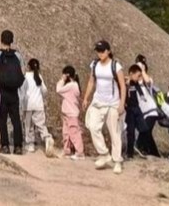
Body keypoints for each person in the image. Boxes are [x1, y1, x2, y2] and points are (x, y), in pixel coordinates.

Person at [83, 40, 126, 174]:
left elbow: (122, 86)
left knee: (114, 132)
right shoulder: (95, 64)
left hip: (113, 103)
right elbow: (91, 81)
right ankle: (104, 154)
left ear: (108, 51)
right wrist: (86, 98)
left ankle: (117, 161)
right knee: (92, 126)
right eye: (98, 51)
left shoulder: (115, 66)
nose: (100, 53)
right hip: (98, 101)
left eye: (102, 51)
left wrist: (121, 104)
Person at [0, 30, 25, 155]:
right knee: (16, 119)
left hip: (1, 91)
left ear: (1, 40)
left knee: (2, 119)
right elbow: (22, 72)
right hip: (14, 92)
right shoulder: (18, 55)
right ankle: (18, 147)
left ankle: (5, 146)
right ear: (12, 40)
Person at [21, 59, 55, 156]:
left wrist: (21, 102)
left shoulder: (25, 77)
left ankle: (30, 144)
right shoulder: (39, 76)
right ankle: (47, 138)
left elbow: (22, 91)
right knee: (41, 124)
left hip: (28, 105)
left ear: (28, 66)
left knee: (29, 126)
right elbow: (44, 90)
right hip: (38, 105)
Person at [125, 65, 160, 159]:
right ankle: (134, 152)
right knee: (133, 131)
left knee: (145, 130)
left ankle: (142, 148)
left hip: (150, 111)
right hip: (135, 110)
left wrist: (142, 70)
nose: (139, 77)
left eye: (140, 75)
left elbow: (148, 81)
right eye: (138, 75)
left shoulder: (145, 82)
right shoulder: (130, 82)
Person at [56, 65, 84, 160]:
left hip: (71, 113)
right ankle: (67, 151)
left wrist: (62, 80)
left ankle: (79, 153)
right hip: (68, 113)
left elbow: (58, 89)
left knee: (74, 133)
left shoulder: (71, 85)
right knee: (66, 133)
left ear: (67, 75)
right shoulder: (74, 85)